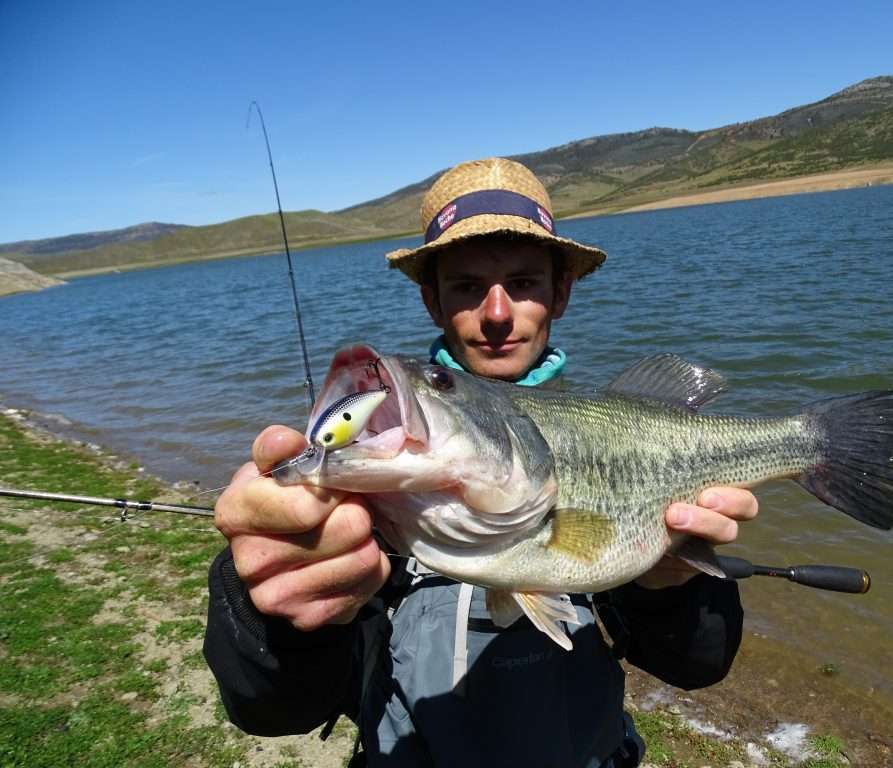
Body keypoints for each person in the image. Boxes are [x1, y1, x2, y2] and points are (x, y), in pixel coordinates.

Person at [204, 158, 758, 767]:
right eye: (468, 286)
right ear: (431, 300)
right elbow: (273, 710)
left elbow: (699, 666)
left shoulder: (628, 437)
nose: (498, 314)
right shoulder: (371, 474)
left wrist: (668, 585)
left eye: (523, 282)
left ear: (561, 293)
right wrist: (265, 606)